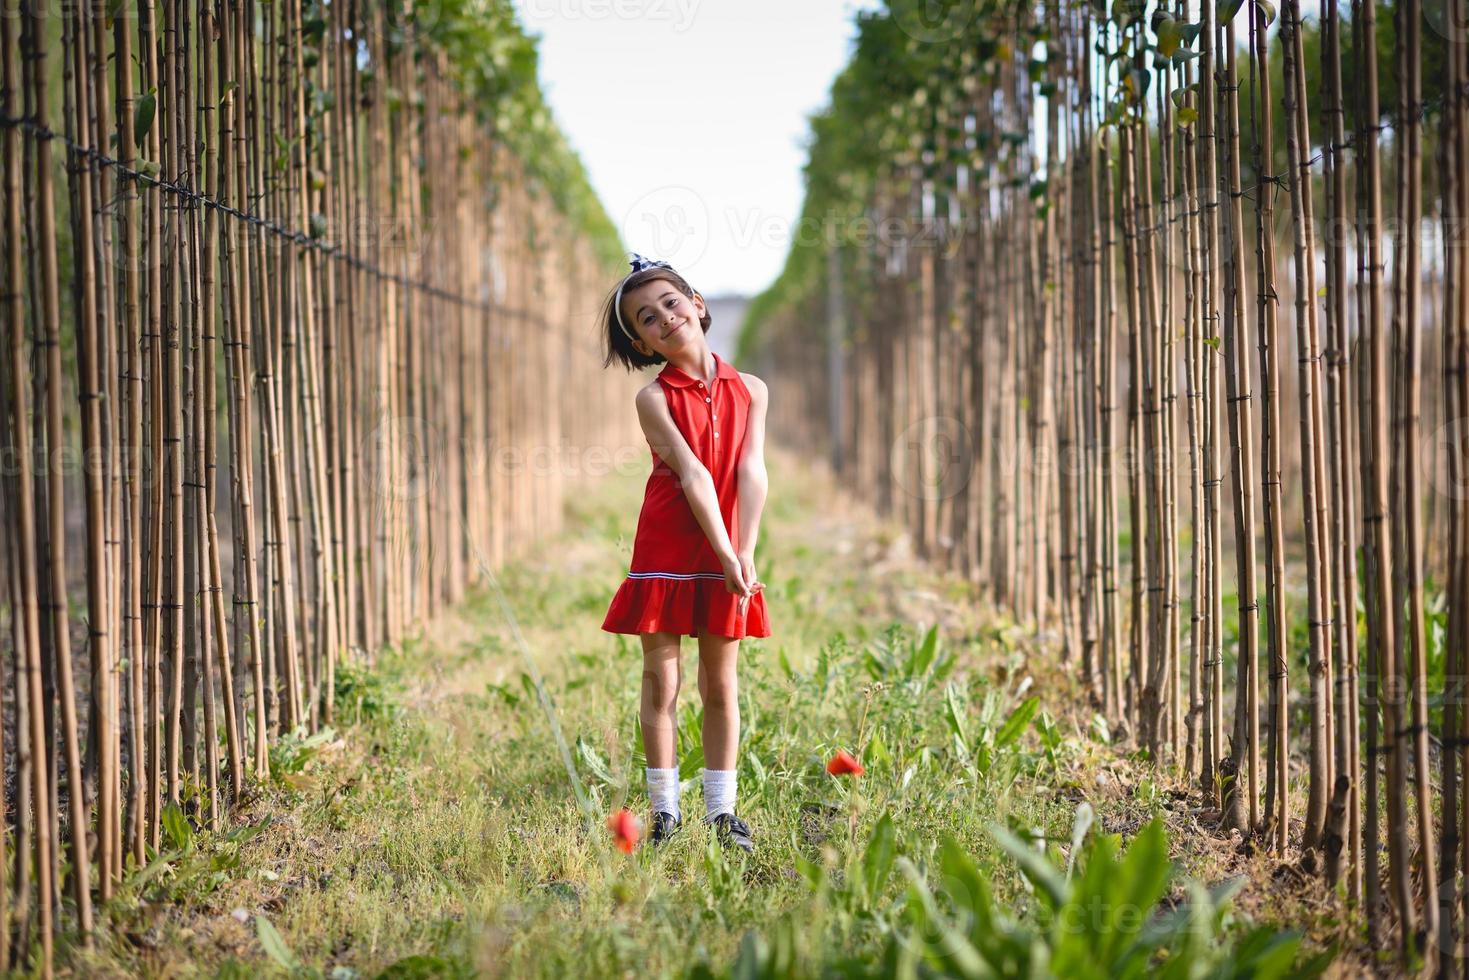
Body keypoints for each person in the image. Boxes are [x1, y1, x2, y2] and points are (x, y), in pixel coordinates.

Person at [599, 253, 771, 855]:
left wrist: (742, 549)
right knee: (661, 679)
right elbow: (695, 475)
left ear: (697, 304)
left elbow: (751, 471)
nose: (664, 318)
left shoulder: (751, 390)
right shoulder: (654, 399)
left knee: (721, 682)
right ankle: (665, 811)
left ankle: (722, 813)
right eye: (646, 318)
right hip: (671, 547)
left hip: (729, 547)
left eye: (671, 302)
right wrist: (725, 551)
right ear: (642, 342)